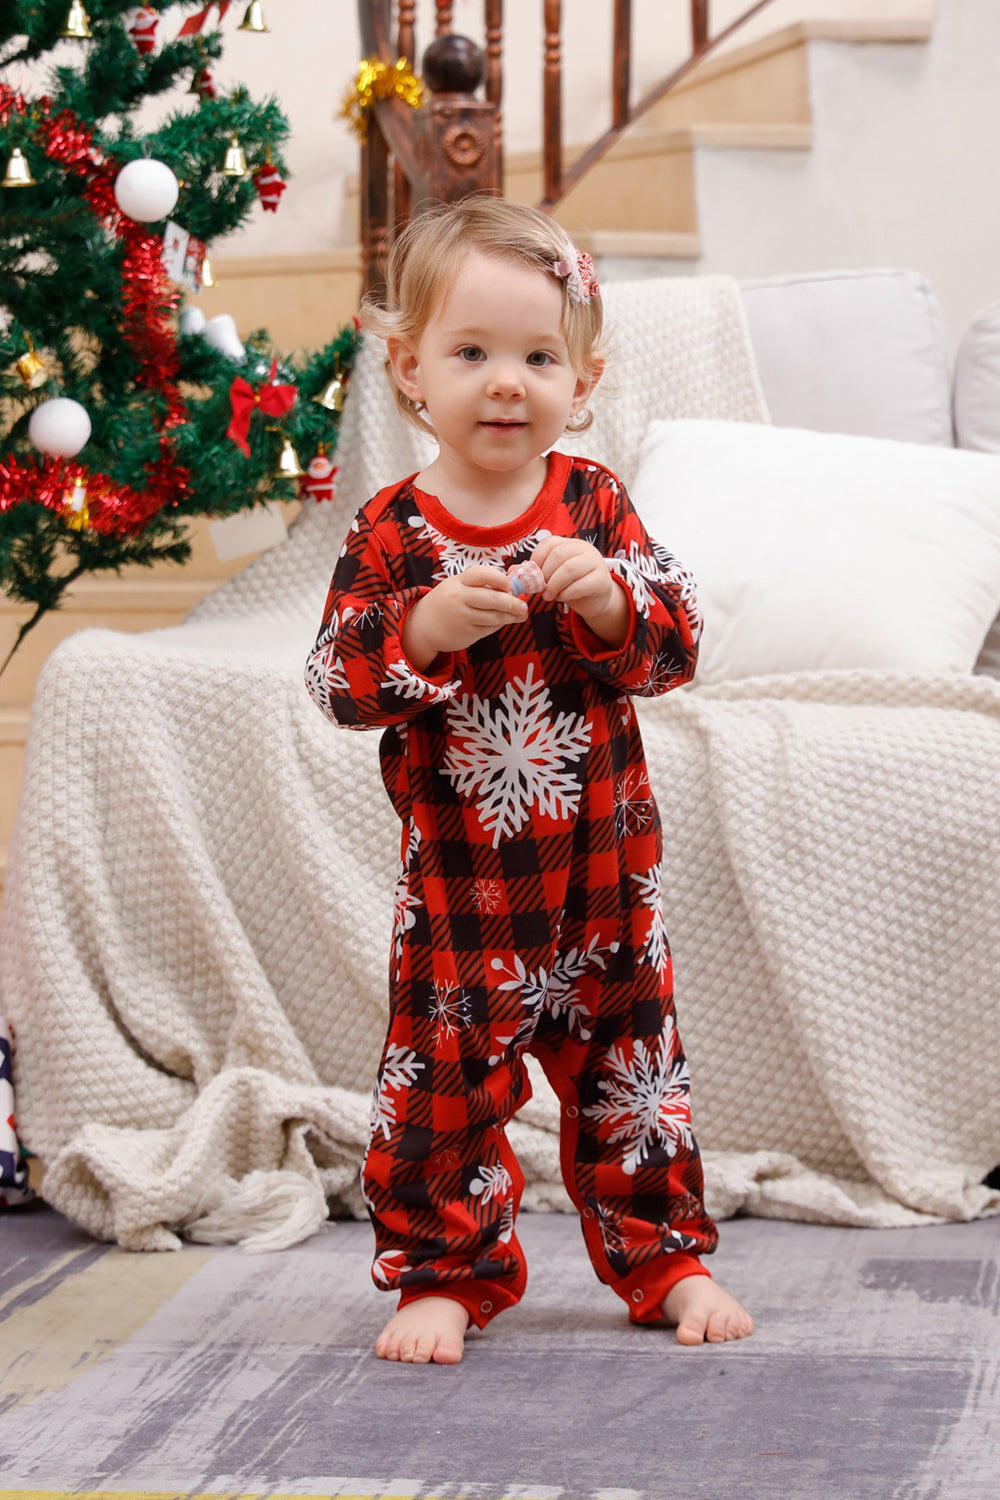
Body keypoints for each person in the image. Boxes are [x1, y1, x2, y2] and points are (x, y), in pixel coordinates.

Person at [304, 196, 753, 1364]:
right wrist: (423, 630)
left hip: (607, 883)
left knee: (634, 1082)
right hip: (461, 898)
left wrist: (610, 598)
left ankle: (667, 1261)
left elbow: (680, 637)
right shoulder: (394, 532)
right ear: (408, 370)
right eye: (471, 354)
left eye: (538, 356)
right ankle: (443, 1276)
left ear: (584, 378)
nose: (507, 382)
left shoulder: (594, 506)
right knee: (441, 1095)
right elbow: (338, 680)